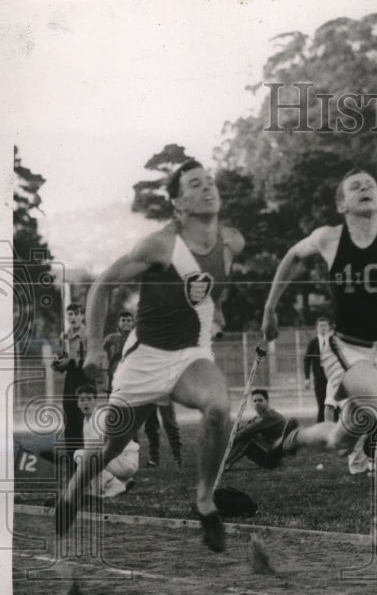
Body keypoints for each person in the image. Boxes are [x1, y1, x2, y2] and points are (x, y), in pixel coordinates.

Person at [56, 159, 244, 554]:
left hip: (190, 355)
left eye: (210, 181)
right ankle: (74, 490)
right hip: (145, 359)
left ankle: (205, 500)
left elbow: (214, 287)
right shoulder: (160, 245)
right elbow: (102, 287)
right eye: (195, 184)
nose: (208, 187)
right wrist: (93, 346)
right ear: (177, 203)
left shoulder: (231, 242)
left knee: (218, 408)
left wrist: (218, 312)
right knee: (112, 445)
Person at [262, 165, 377, 565]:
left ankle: (292, 439)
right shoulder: (327, 238)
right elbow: (291, 256)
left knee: (342, 439)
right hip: (345, 350)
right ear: (342, 203)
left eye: (370, 185)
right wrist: (270, 309)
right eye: (354, 186)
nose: (364, 189)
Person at [71, 384, 140, 499]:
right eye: (82, 400)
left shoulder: (101, 417)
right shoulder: (86, 420)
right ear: (77, 403)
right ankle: (122, 482)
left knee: (80, 455)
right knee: (88, 456)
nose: (85, 403)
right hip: (117, 460)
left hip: (125, 459)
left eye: (89, 399)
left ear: (96, 401)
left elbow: (100, 449)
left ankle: (114, 484)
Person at [229, 389, 298, 469]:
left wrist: (228, 440)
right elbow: (245, 428)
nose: (257, 403)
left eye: (260, 400)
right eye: (254, 401)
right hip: (270, 453)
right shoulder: (262, 415)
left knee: (248, 436)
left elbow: (246, 431)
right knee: (243, 434)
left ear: (267, 401)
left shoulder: (269, 416)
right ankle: (222, 461)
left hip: (274, 458)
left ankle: (224, 463)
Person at [52, 303, 88, 454]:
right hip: (71, 379)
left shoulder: (88, 334)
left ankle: (87, 456)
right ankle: (72, 456)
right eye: (69, 314)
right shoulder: (64, 336)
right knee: (69, 416)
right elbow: (62, 357)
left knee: (83, 418)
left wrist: (72, 361)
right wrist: (57, 362)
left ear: (82, 316)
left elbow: (90, 359)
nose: (72, 317)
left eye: (75, 314)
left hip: (85, 378)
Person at [303, 313, 335, 422]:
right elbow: (307, 361)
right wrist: (307, 378)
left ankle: (334, 430)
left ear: (329, 327)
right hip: (319, 379)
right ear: (317, 328)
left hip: (332, 378)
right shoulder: (313, 343)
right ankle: (321, 431)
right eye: (321, 325)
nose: (323, 328)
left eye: (325, 325)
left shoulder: (333, 342)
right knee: (322, 405)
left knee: (333, 405)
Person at [102, 310, 134, 391]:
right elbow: (105, 357)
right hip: (114, 372)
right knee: (113, 396)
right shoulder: (110, 338)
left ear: (133, 323)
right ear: (118, 323)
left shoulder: (136, 339)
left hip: (131, 372)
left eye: (129, 320)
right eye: (123, 320)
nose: (126, 323)